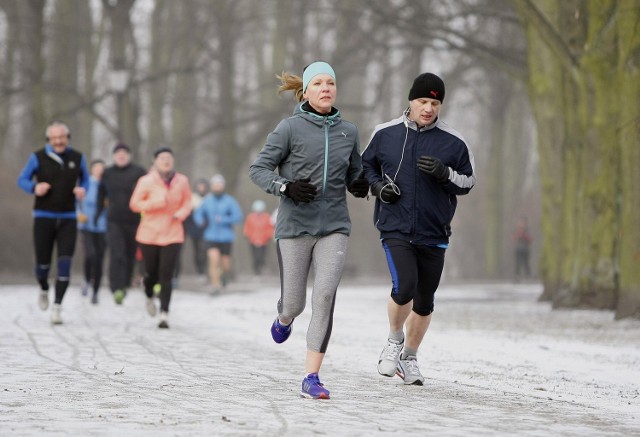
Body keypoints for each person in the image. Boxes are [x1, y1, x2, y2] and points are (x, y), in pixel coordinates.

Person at [249, 61, 369, 399]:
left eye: (331, 82)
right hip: (294, 227)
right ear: (305, 90)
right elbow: (257, 170)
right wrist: (285, 187)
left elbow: (355, 173)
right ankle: (284, 318)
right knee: (294, 304)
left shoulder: (349, 130)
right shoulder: (289, 128)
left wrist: (360, 185)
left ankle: (311, 377)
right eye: (318, 83)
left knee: (325, 298)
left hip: (334, 226)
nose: (326, 88)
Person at [361, 72, 476, 385]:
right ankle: (394, 340)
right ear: (411, 100)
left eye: (435, 102)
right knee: (405, 287)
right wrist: (378, 187)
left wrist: (444, 173)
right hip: (395, 226)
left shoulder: (454, 142)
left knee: (425, 302)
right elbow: (365, 167)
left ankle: (409, 357)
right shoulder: (385, 133)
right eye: (423, 101)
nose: (428, 107)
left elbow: (468, 181)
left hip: (434, 231)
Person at [17, 121, 89, 324]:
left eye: (62, 137)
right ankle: (43, 287)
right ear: (49, 139)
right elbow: (21, 179)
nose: (58, 141)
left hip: (68, 217)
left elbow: (86, 181)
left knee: (65, 264)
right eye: (54, 138)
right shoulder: (37, 157)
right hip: (43, 216)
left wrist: (83, 190)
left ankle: (57, 307)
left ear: (68, 137)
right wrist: (34, 187)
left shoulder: (78, 157)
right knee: (43, 265)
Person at [129, 147, 192, 329]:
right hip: (149, 233)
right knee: (151, 274)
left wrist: (181, 213)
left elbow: (187, 202)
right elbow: (134, 204)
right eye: (162, 158)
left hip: (173, 232)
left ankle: (164, 313)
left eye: (169, 158)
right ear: (155, 161)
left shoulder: (182, 180)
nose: (166, 161)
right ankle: (148, 294)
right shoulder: (146, 180)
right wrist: (155, 203)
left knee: (167, 274)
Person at [97, 143, 147, 305]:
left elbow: (148, 192)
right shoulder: (108, 173)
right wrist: (97, 214)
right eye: (118, 153)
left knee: (130, 254)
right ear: (113, 156)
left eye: (124, 153)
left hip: (134, 220)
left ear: (129, 156)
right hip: (114, 219)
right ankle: (116, 287)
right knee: (117, 253)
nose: (121, 156)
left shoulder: (139, 172)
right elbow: (101, 194)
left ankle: (125, 284)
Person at [193, 174, 243, 294]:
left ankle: (224, 276)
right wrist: (200, 221)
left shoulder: (229, 201)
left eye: (219, 184)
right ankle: (215, 286)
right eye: (215, 184)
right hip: (210, 235)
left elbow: (238, 217)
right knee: (213, 259)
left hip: (226, 237)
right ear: (212, 186)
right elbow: (198, 213)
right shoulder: (207, 200)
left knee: (225, 265)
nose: (217, 187)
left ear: (223, 186)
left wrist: (224, 219)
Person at [77, 159, 108, 304]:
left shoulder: (107, 185)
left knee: (100, 259)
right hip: (86, 225)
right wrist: (79, 214)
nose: (99, 171)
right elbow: (75, 201)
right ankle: (86, 279)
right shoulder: (85, 183)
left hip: (103, 227)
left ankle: (95, 291)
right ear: (92, 169)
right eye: (97, 168)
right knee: (91, 255)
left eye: (102, 168)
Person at [183, 178, 209, 282]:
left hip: (208, 229)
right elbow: (188, 216)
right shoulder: (191, 198)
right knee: (198, 251)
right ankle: (200, 272)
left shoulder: (209, 198)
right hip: (195, 230)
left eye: (203, 186)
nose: (201, 188)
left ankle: (207, 272)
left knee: (207, 251)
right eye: (199, 185)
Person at [243, 200, 275, 275]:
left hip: (264, 241)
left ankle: (262, 269)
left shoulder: (267, 217)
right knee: (255, 257)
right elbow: (247, 228)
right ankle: (256, 272)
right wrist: (249, 236)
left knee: (262, 256)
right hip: (253, 241)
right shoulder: (250, 217)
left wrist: (266, 237)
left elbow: (269, 228)